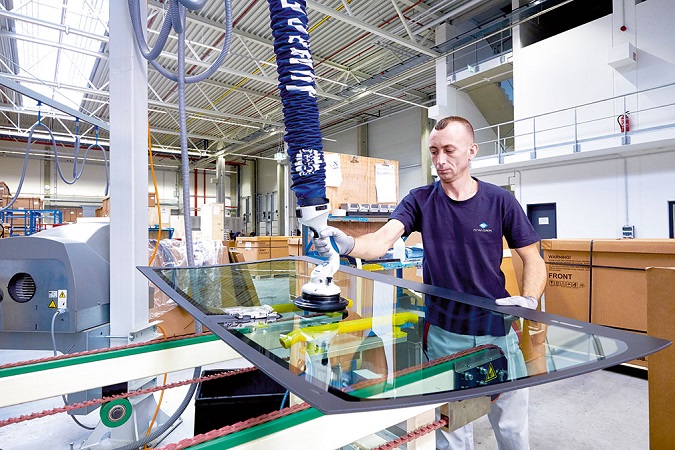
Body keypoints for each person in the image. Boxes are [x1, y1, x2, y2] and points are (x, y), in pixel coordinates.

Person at [314, 116, 546, 450]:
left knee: (512, 428)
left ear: (471, 151)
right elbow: (381, 242)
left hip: (497, 331)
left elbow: (533, 257)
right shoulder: (420, 200)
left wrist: (529, 298)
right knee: (452, 433)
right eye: (434, 151)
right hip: (445, 336)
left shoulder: (499, 201)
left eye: (449, 150)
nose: (440, 160)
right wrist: (346, 243)